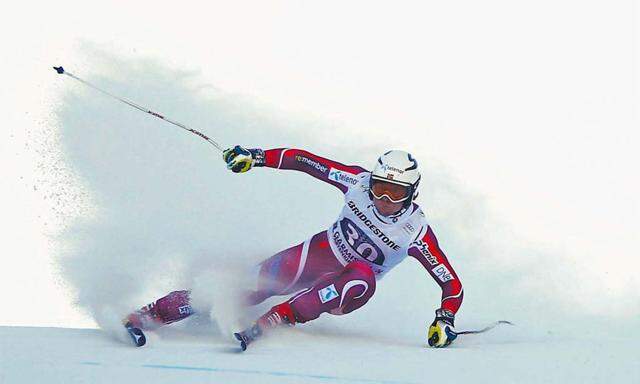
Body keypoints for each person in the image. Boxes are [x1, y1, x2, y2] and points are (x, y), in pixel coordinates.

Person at [124, 146, 463, 349]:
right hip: (318, 254)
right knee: (246, 287)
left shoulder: (415, 231)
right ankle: (154, 313)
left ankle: (281, 316)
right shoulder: (357, 183)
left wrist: (444, 318)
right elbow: (304, 160)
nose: (384, 200)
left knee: (361, 275)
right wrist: (256, 157)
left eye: (396, 193)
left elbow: (451, 283)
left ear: (412, 193)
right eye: (379, 188)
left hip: (350, 288)